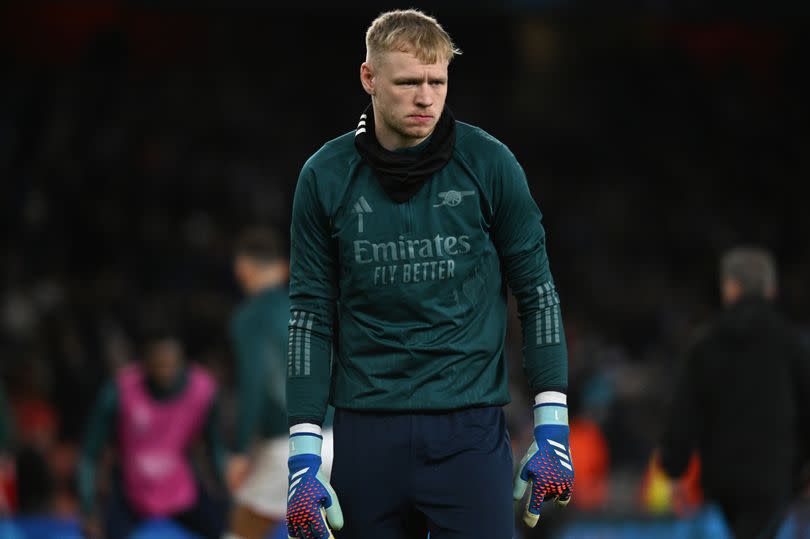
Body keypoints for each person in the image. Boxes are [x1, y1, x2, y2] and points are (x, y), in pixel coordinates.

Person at [284, 9, 574, 539]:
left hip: (469, 431)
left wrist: (552, 424)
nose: (426, 98)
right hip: (366, 432)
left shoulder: (490, 164)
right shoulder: (324, 176)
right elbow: (308, 315)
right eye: (408, 82)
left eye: (436, 81)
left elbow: (538, 293)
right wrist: (303, 453)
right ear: (369, 79)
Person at [659, 246, 810, 539]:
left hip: (722, 477)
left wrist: (674, 468)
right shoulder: (790, 343)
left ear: (730, 287)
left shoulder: (704, 344)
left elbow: (684, 412)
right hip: (775, 473)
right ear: (770, 289)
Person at [225, 227, 334, 539]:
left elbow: (254, 383)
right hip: (334, 437)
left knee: (241, 530)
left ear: (242, 268)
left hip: (285, 446)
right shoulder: (312, 308)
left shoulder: (249, 317)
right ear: (284, 267)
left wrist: (240, 450)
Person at [78, 326, 228, 538]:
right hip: (130, 491)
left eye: (170, 363)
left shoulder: (203, 390)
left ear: (181, 361)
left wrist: (228, 497)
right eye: (158, 363)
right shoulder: (119, 391)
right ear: (145, 363)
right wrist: (88, 509)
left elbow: (215, 449)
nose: (164, 369)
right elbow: (89, 455)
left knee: (228, 532)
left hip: (181, 490)